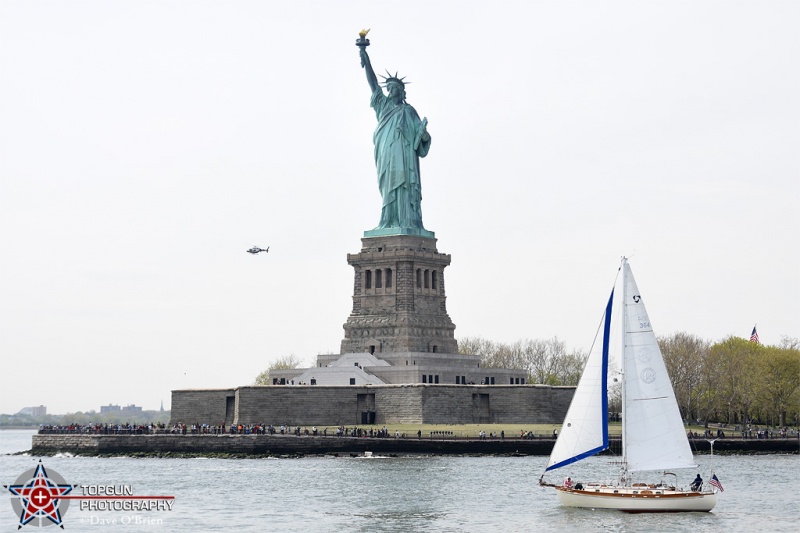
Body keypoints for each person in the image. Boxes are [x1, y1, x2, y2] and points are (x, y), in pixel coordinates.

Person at [359, 45, 431, 231]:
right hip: (387, 154)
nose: (390, 91)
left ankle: (407, 222)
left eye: (394, 89)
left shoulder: (409, 111)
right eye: (389, 88)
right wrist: (366, 59)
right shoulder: (383, 106)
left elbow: (421, 138)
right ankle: (388, 221)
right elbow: (373, 83)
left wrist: (423, 134)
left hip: (406, 158)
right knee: (388, 186)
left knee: (405, 186)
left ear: (401, 91)